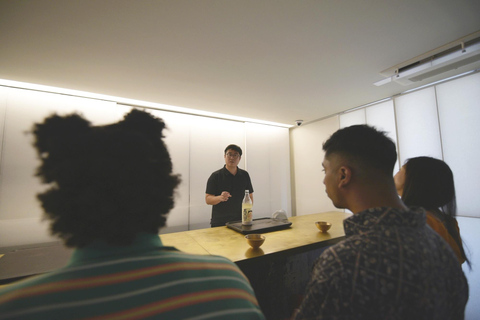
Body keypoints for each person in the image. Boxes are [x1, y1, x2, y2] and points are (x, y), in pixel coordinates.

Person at [0, 109, 265, 320]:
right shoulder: (228, 283)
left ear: (59, 197)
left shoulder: (13, 307)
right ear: (165, 190)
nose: (232, 157)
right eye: (229, 154)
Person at [293, 125, 468, 320]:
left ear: (343, 175)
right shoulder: (442, 249)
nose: (324, 180)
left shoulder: (345, 261)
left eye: (325, 170)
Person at [394, 156, 470, 266]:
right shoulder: (445, 220)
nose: (395, 173)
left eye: (400, 169)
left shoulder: (420, 221)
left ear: (415, 179)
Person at [205, 144, 254, 227]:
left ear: (240, 158)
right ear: (225, 156)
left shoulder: (244, 175)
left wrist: (248, 215)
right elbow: (208, 199)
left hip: (240, 221)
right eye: (229, 154)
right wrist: (220, 198)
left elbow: (250, 196)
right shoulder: (215, 176)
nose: (232, 158)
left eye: (235, 155)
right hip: (220, 222)